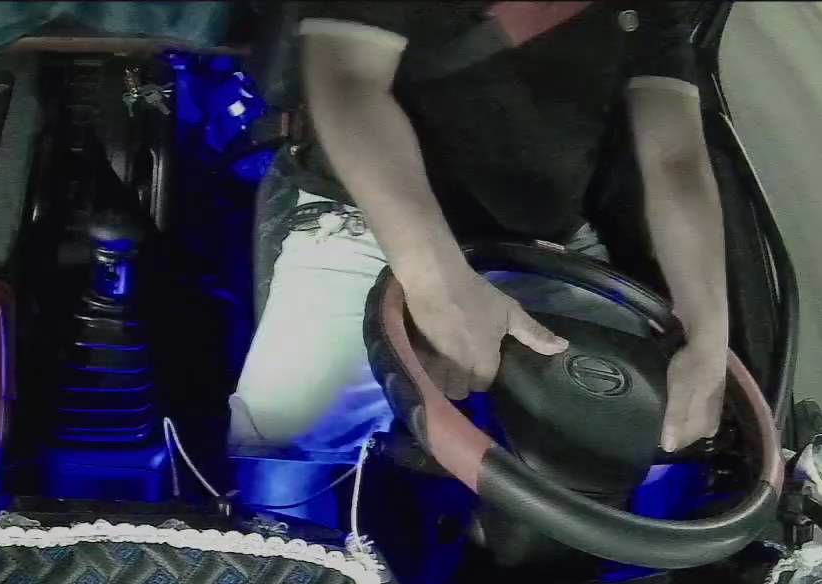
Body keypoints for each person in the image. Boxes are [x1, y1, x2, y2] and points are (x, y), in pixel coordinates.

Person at [230, 2, 728, 467]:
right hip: (368, 221)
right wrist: (438, 283)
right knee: (283, 457)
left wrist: (707, 334)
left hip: (548, 247)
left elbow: (676, 159)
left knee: (647, 454)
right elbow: (348, 80)